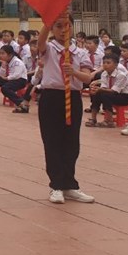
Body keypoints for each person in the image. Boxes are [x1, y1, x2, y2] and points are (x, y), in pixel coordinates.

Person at [32, 15, 95, 204]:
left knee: (71, 142)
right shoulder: (49, 49)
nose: (63, 30)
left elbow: (88, 78)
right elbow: (40, 42)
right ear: (52, 29)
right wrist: (48, 21)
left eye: (67, 25)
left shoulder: (80, 52)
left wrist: (73, 72)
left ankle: (70, 185)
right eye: (58, 26)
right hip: (51, 97)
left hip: (72, 97)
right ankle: (56, 186)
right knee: (52, 141)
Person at [86, 49, 128, 127]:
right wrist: (96, 90)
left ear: (116, 65)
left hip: (124, 96)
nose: (105, 65)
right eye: (104, 63)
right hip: (110, 93)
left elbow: (115, 91)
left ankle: (109, 120)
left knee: (105, 94)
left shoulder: (121, 75)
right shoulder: (104, 74)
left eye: (108, 63)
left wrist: (100, 89)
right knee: (97, 93)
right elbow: (104, 87)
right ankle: (93, 118)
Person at [0, 44, 31, 113]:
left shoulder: (17, 62)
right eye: (0, 53)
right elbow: (0, 75)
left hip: (20, 80)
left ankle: (22, 103)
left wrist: (7, 78)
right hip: (10, 79)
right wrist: (2, 67)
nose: (1, 55)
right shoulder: (5, 62)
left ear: (10, 55)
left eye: (3, 53)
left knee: (5, 88)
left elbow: (16, 75)